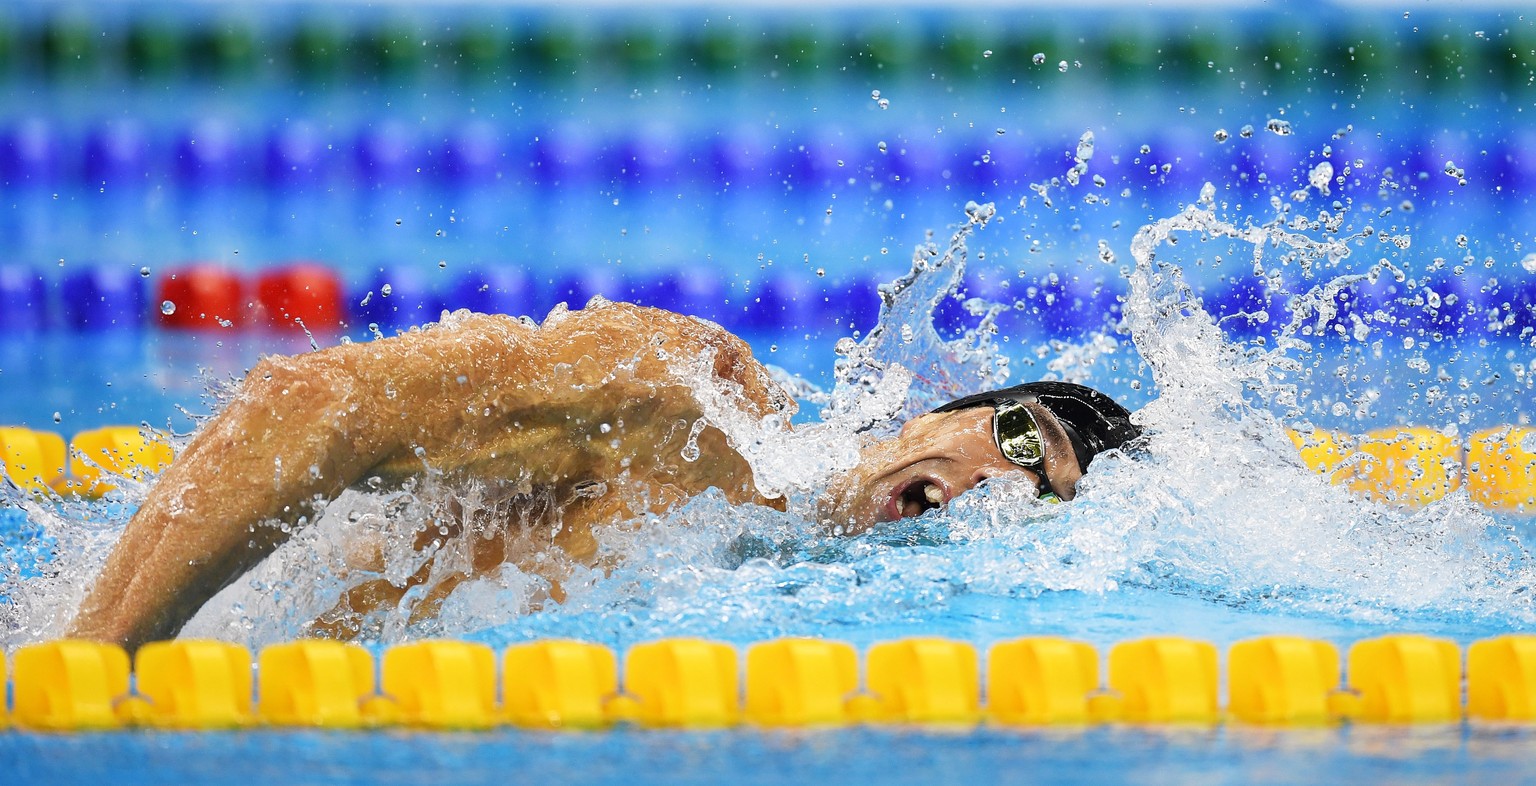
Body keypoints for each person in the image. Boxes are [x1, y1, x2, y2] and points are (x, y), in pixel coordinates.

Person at [66, 300, 1139, 650]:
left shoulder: (846, 628)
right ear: (940, 408)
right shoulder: (695, 403)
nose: (1001, 487)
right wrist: (90, 677)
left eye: (1041, 498)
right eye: (1015, 441)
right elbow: (309, 405)